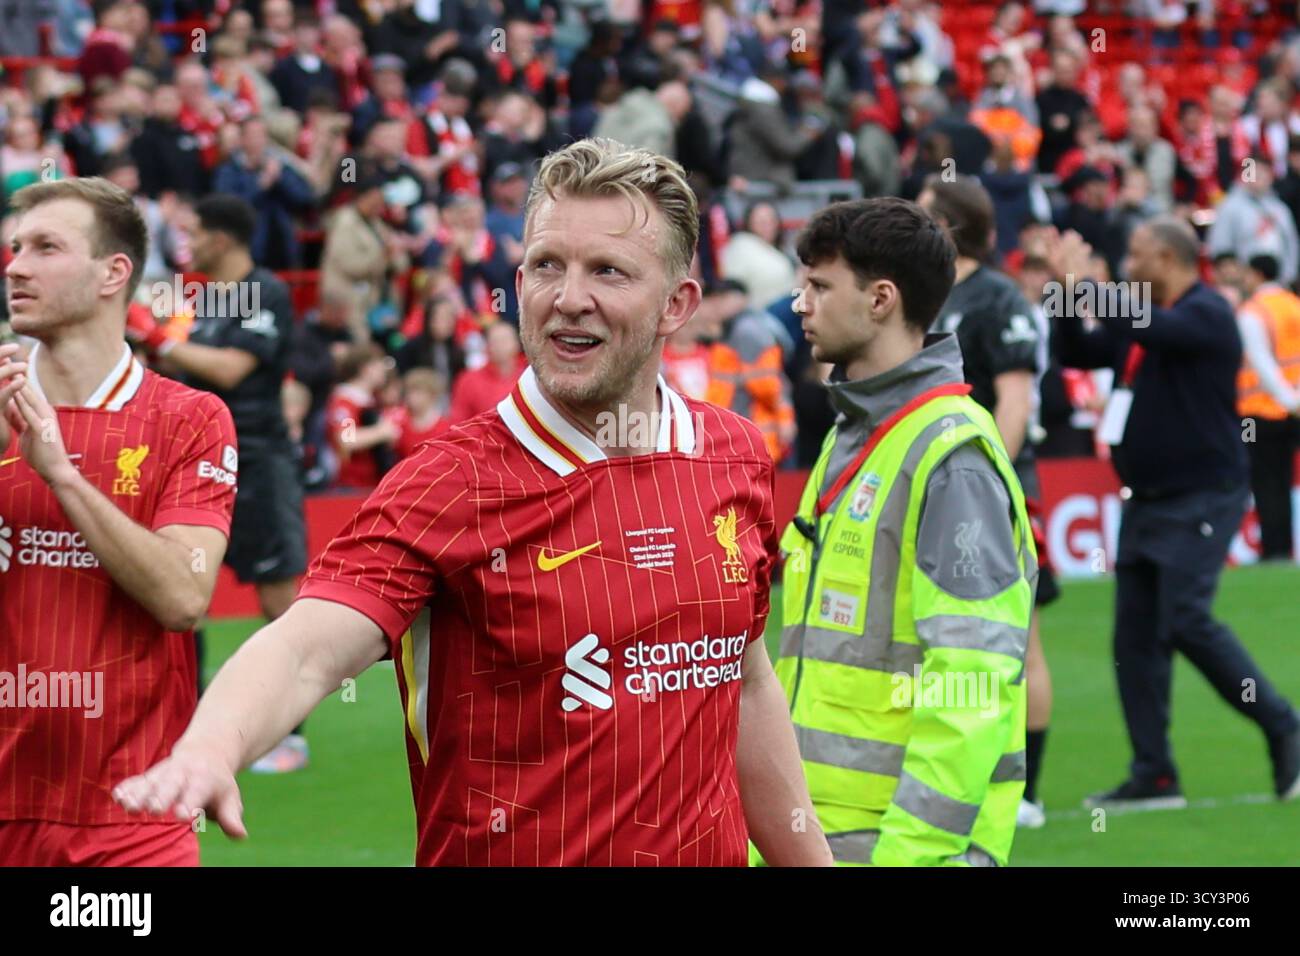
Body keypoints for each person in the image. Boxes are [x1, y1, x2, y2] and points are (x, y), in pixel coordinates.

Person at [113, 138, 833, 868]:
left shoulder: (733, 454)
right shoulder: (450, 483)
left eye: (608, 271)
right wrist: (212, 745)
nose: (568, 297)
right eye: (547, 265)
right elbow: (303, 650)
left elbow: (738, 681)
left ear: (678, 305)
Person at [770, 196, 1036, 866]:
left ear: (881, 298)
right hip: (823, 837)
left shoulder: (951, 456)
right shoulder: (851, 430)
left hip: (898, 846)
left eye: (820, 286)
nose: (800, 303)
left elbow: (970, 683)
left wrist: (910, 856)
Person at [0, 177, 237, 866]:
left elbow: (183, 597)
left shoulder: (189, 419)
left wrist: (62, 476)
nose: (15, 265)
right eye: (15, 248)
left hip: (131, 820)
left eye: (45, 247)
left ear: (114, 273)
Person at [1049, 220, 1300, 808]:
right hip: (1148, 501)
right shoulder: (1147, 315)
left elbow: (1146, 325)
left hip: (1203, 495)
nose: (1129, 265)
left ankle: (1284, 726)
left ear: (1167, 257)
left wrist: (1083, 284)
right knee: (1133, 638)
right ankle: (1154, 773)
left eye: (1136, 255)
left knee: (1184, 617)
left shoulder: (1209, 312)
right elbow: (1078, 350)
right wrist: (1064, 295)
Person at [132, 195, 311, 774]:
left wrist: (159, 340)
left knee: (278, 598)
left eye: (198, 233)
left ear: (225, 238)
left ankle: (288, 733)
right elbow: (183, 369)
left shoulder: (268, 292)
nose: (190, 246)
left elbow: (233, 369)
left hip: (259, 460)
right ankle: (187, 726)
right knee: (188, 593)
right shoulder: (205, 302)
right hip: (199, 461)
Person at [917, 176, 1057, 830]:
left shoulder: (998, 299)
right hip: (924, 487)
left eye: (922, 212)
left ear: (946, 225)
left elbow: (1016, 404)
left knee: (1017, 643)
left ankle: (1025, 793)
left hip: (989, 491)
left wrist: (978, 486)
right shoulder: (929, 294)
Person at [1235, 253, 1300, 561]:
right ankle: (1284, 548)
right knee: (1284, 480)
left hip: (1258, 413)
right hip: (1293, 412)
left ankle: (1275, 550)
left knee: (1264, 482)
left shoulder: (1252, 312)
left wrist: (1288, 399)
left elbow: (1262, 365)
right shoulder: (1294, 304)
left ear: (1257, 274)